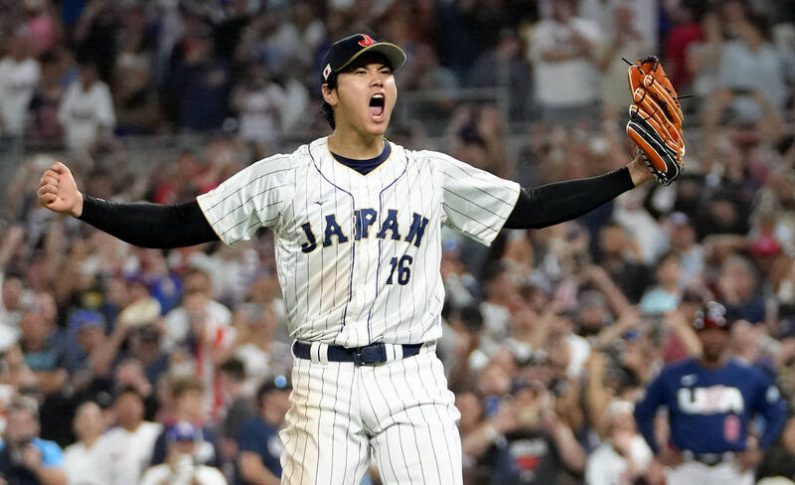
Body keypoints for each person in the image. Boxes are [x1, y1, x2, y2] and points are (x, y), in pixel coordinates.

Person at [38, 32, 659, 485]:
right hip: (322, 381)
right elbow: (178, 225)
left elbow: (527, 206)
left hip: (412, 376)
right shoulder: (284, 177)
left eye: (385, 71)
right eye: (363, 72)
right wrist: (85, 206)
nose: (380, 80)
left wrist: (629, 175)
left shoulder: (428, 173)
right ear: (330, 91)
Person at [633, 301, 788, 485]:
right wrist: (657, 449)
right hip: (687, 467)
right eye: (707, 330)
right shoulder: (673, 374)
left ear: (728, 335)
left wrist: (760, 448)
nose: (714, 337)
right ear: (697, 333)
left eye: (719, 331)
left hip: (732, 467)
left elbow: (777, 411)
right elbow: (642, 411)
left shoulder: (748, 375)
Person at [235, 374, 291, 485]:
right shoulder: (253, 427)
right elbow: (251, 469)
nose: (289, 396)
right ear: (267, 397)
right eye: (283, 393)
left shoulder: (284, 430)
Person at [0, 396, 67, 485]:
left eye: (25, 422)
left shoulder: (47, 448)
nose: (19, 428)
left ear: (36, 425)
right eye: (15, 422)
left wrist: (37, 467)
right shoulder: (1, 448)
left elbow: (61, 482)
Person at [139, 421, 227, 485]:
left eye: (189, 444)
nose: (184, 449)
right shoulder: (154, 473)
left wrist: (195, 480)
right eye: (180, 443)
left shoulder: (212, 475)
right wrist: (169, 477)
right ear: (170, 446)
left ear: (197, 447)